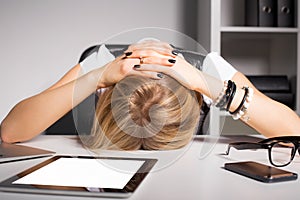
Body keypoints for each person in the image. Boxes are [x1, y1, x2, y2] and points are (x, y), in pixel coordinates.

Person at [1, 39, 300, 149]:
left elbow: (294, 132)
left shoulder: (103, 61)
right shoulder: (204, 67)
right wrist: (205, 82)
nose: (153, 54)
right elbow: (11, 132)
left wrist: (98, 75)